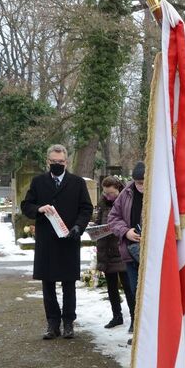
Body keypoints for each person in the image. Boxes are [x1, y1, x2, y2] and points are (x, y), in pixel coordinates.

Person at [20, 144, 93, 340]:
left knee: (69, 283)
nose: (57, 164)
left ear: (66, 162)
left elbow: (86, 208)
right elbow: (26, 206)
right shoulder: (38, 182)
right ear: (48, 162)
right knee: (48, 283)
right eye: (54, 162)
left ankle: (68, 323)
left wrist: (78, 227)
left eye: (61, 162)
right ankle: (52, 323)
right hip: (47, 241)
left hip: (69, 239)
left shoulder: (77, 183)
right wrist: (39, 209)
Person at [108, 161, 146, 337]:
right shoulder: (127, 193)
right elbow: (113, 217)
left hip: (156, 255)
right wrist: (126, 232)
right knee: (136, 293)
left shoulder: (161, 191)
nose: (142, 187)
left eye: (145, 182)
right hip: (132, 253)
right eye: (139, 183)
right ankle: (139, 333)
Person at [95, 176, 134, 329]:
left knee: (128, 287)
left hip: (121, 249)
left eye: (111, 193)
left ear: (118, 189)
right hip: (106, 251)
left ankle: (134, 318)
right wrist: (96, 229)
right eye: (105, 193)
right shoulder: (103, 203)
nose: (108, 196)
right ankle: (116, 316)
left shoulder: (126, 201)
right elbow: (99, 221)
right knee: (111, 288)